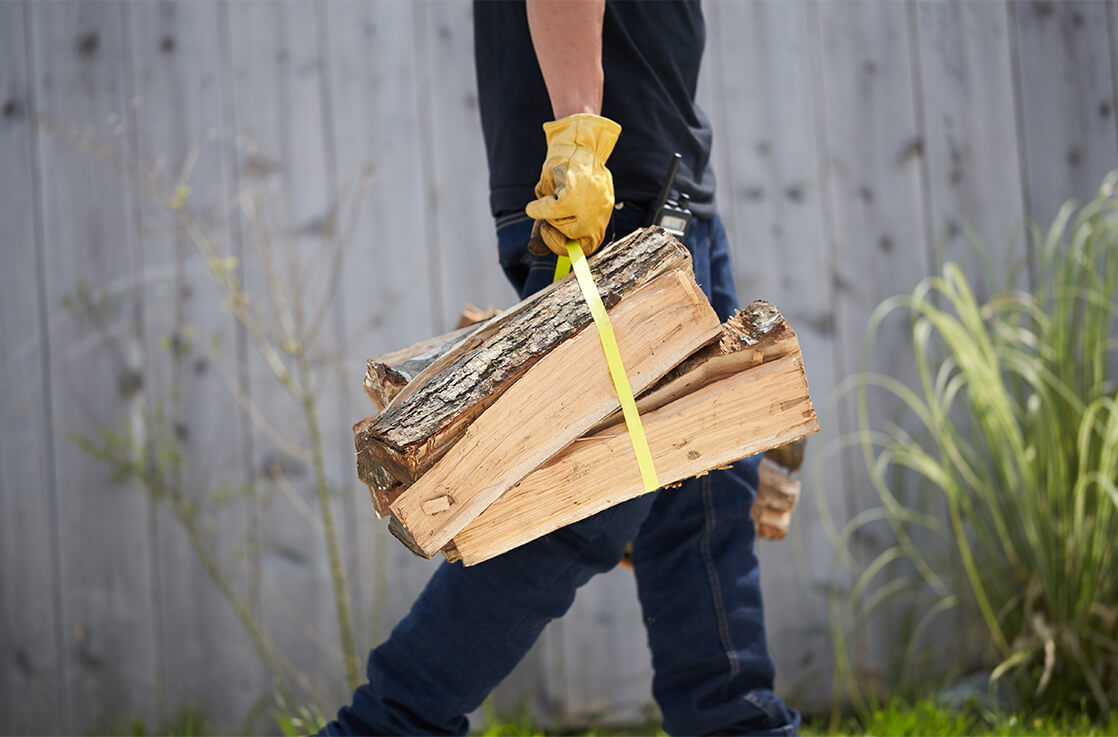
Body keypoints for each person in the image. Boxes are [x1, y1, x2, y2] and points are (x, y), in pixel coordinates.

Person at [318, 1, 801, 734]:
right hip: (614, 189)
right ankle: (386, 727)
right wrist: (581, 132)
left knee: (704, 494)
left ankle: (737, 725)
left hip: (669, 183)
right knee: (577, 503)